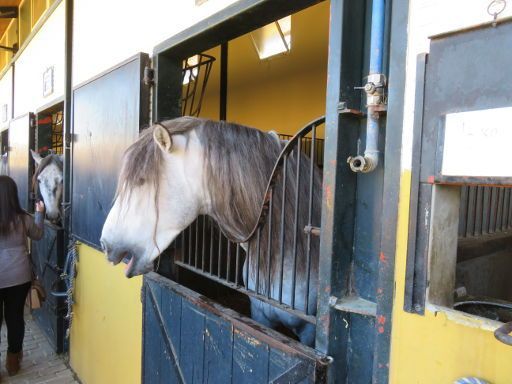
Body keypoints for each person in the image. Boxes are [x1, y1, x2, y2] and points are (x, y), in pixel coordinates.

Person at [0, 176, 45, 379]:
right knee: (15, 318)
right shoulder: (22, 217)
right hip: (19, 276)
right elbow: (37, 235)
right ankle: (12, 363)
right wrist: (40, 214)